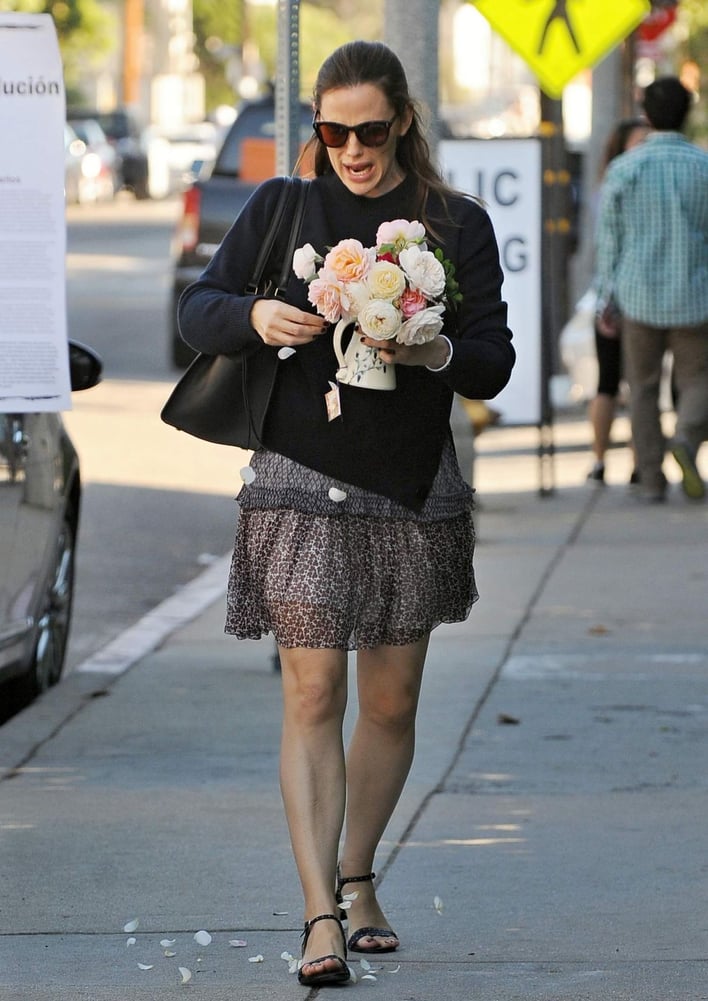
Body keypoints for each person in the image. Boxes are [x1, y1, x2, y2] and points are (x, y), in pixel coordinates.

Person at [178, 40, 514, 987]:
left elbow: (494, 359)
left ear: (403, 120)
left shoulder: (454, 222)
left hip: (409, 484)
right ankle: (319, 912)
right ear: (316, 129)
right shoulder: (284, 204)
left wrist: (432, 348)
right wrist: (254, 319)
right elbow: (199, 308)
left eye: (370, 131)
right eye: (334, 132)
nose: (353, 150)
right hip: (299, 476)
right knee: (312, 691)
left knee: (392, 698)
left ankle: (359, 871)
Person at [595, 77, 708, 502]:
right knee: (699, 379)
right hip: (696, 295)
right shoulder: (703, 167)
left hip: (637, 296)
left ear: (647, 115)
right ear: (688, 113)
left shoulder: (624, 169)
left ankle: (651, 478)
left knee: (641, 387)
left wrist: (606, 295)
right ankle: (687, 437)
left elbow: (610, 240)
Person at [587, 118, 651, 485]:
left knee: (640, 385)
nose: (644, 148)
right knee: (611, 382)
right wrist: (606, 301)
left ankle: (640, 460)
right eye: (638, 142)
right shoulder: (615, 184)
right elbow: (606, 245)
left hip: (635, 298)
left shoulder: (618, 183)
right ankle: (600, 459)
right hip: (616, 299)